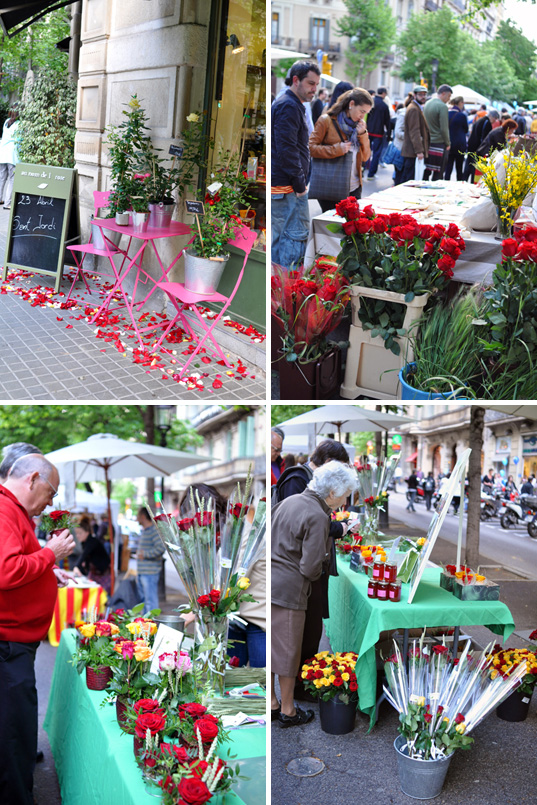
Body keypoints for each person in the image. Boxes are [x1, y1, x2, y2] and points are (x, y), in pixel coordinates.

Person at [0, 452, 75, 805]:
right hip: (8, 643)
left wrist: (46, 572)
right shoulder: (4, 510)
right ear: (32, 480)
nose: (49, 503)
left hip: (16, 642)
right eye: (51, 492)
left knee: (16, 727)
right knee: (12, 734)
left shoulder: (14, 511)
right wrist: (50, 554)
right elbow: (5, 572)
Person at [271, 461, 358, 727]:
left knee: (275, 648)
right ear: (332, 493)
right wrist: (321, 559)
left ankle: (273, 703)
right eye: (344, 495)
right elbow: (309, 568)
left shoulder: (292, 501)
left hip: (272, 584)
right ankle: (288, 711)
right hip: (290, 589)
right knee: (288, 652)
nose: (344, 501)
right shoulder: (319, 516)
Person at [271, 60, 321, 268]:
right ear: (295, 80)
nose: (314, 89)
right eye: (310, 83)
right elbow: (287, 151)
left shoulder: (290, 103)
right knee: (291, 241)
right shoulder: (289, 105)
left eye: (316, 85)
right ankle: (283, 294)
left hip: (286, 185)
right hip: (288, 187)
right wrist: (301, 187)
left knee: (283, 240)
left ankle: (278, 293)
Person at [308, 88, 372, 212]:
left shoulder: (360, 126)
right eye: (361, 111)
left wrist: (363, 134)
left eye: (366, 113)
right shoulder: (326, 120)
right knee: (331, 228)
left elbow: (365, 157)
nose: (362, 116)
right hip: (331, 186)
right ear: (351, 104)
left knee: (352, 228)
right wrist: (337, 149)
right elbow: (310, 148)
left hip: (354, 187)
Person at [136, 506, 165, 613]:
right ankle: (146, 626)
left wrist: (145, 554)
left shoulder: (153, 530)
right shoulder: (146, 530)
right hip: (144, 572)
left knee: (150, 601)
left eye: (138, 516)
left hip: (150, 573)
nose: (136, 518)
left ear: (143, 516)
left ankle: (153, 626)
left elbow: (161, 548)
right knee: (145, 601)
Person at [73, 516, 111, 593]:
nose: (77, 536)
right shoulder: (85, 542)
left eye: (80, 533)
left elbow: (84, 555)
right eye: (76, 533)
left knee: (102, 595)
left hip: (102, 573)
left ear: (87, 532)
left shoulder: (92, 541)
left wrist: (76, 566)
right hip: (95, 572)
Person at [399, 86, 430, 184]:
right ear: (415, 95)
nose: (423, 97)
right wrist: (419, 150)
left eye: (424, 94)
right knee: (409, 179)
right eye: (420, 94)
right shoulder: (414, 109)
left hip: (411, 150)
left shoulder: (416, 107)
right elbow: (414, 131)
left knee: (409, 177)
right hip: (411, 151)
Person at [423, 84, 452, 181]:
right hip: (439, 143)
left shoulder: (427, 103)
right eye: (449, 96)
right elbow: (444, 128)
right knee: (438, 174)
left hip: (427, 142)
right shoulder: (442, 106)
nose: (449, 99)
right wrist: (448, 143)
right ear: (443, 93)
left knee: (426, 171)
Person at [463, 109, 499, 182]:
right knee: (474, 168)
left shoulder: (480, 120)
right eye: (495, 119)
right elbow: (485, 138)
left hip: (471, 145)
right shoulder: (487, 122)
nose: (495, 121)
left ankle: (464, 181)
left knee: (468, 166)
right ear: (492, 117)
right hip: (478, 148)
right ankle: (472, 183)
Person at [365, 86, 392, 180]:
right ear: (384, 93)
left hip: (368, 131)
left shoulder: (371, 103)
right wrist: (389, 134)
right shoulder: (384, 106)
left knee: (365, 151)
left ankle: (361, 170)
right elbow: (387, 121)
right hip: (378, 133)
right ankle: (371, 174)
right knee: (376, 153)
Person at [444, 96, 468, 181]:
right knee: (459, 168)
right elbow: (466, 130)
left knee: (448, 168)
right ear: (460, 103)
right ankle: (459, 185)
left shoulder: (447, 114)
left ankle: (446, 184)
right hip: (460, 145)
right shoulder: (462, 115)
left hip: (449, 143)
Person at [0, 106, 19, 210]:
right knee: (12, 179)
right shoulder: (19, 124)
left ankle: (0, 199)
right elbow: (19, 139)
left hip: (2, 153)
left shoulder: (6, 122)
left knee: (2, 178)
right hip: (12, 155)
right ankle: (7, 203)